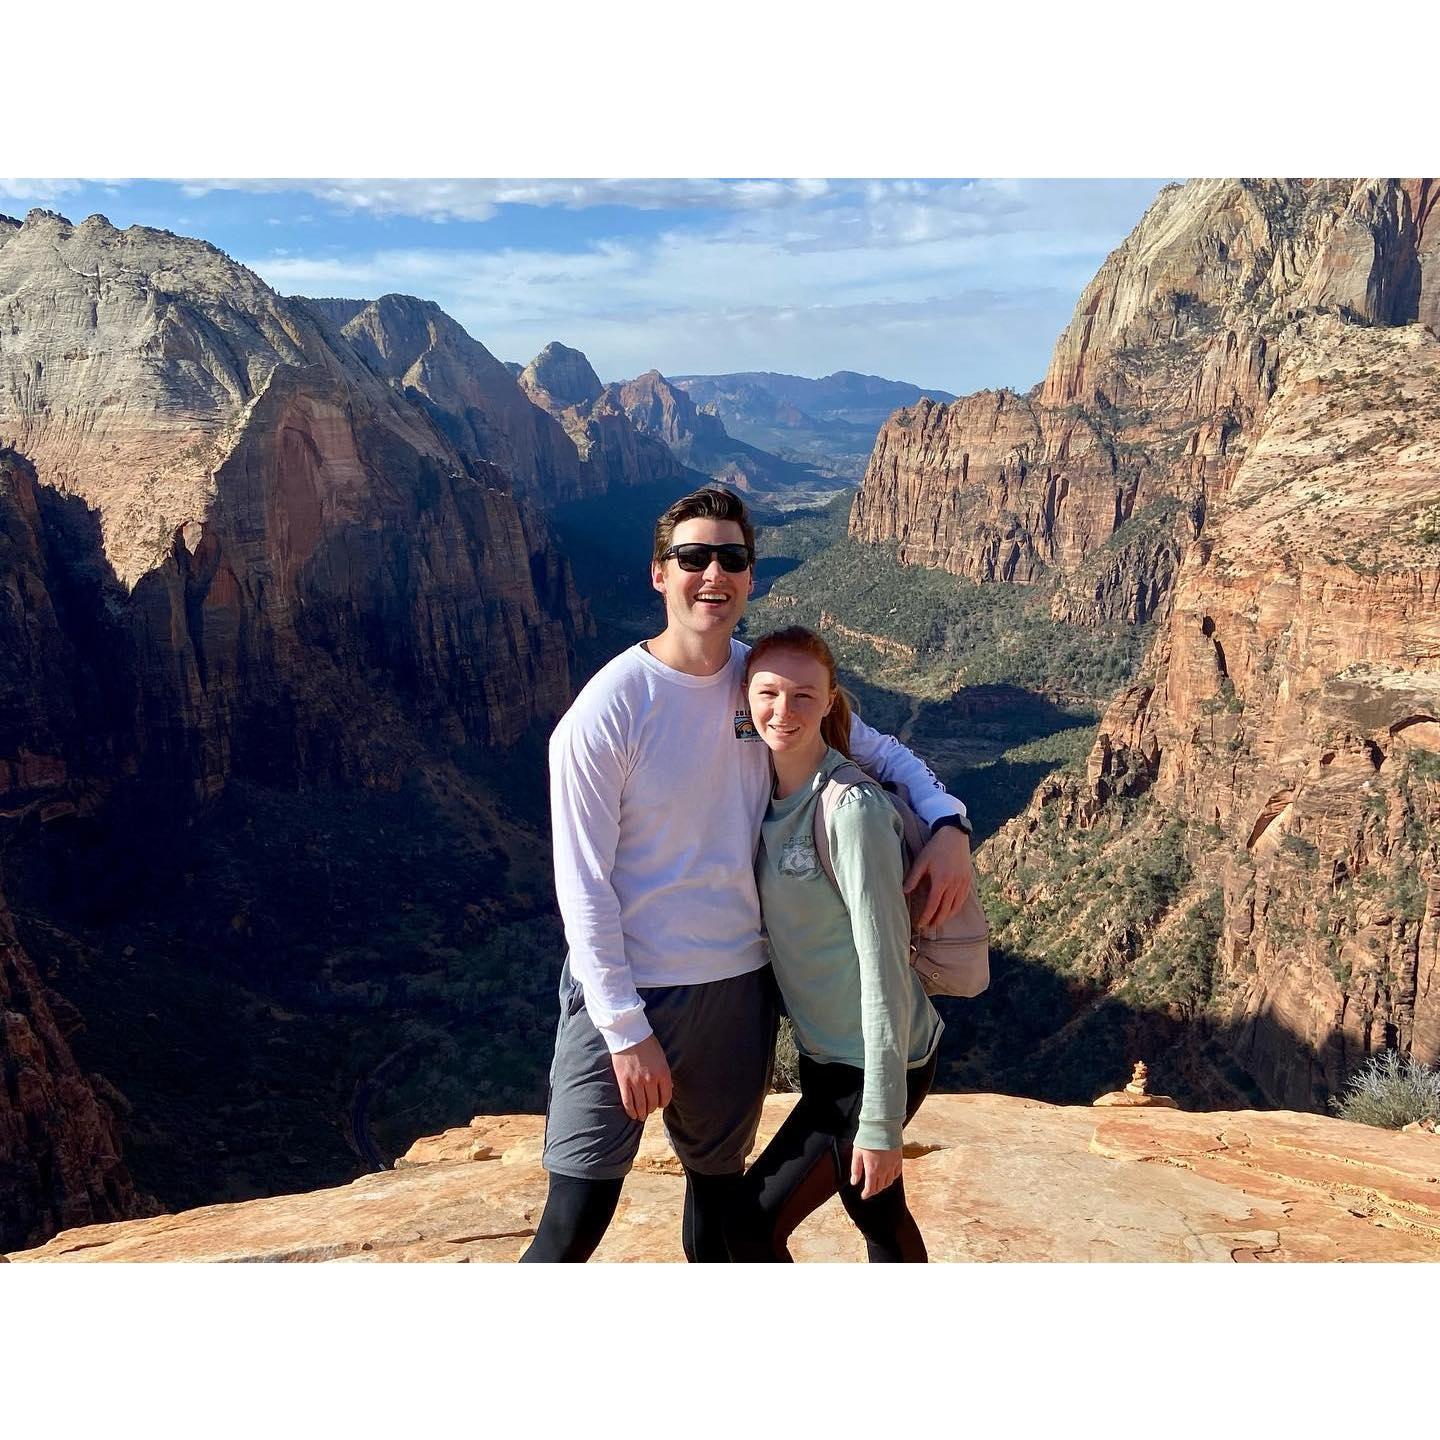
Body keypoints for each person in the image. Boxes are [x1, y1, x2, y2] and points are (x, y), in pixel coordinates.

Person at [519, 486, 972, 1263]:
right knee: (573, 1220)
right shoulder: (607, 712)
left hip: (736, 991)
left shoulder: (760, 680)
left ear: (751, 577)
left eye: (731, 557)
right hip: (627, 992)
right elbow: (583, 886)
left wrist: (949, 823)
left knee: (719, 1200)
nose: (712, 573)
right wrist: (625, 1031)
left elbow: (884, 753)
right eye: (692, 557)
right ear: (659, 574)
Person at [727, 627, 940, 1262]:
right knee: (874, 1209)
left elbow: (884, 971)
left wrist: (879, 1120)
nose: (783, 712)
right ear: (746, 700)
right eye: (768, 694)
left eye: (802, 696)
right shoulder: (760, 794)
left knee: (752, 1227)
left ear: (830, 702)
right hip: (828, 1059)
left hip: (878, 1057)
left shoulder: (850, 810)